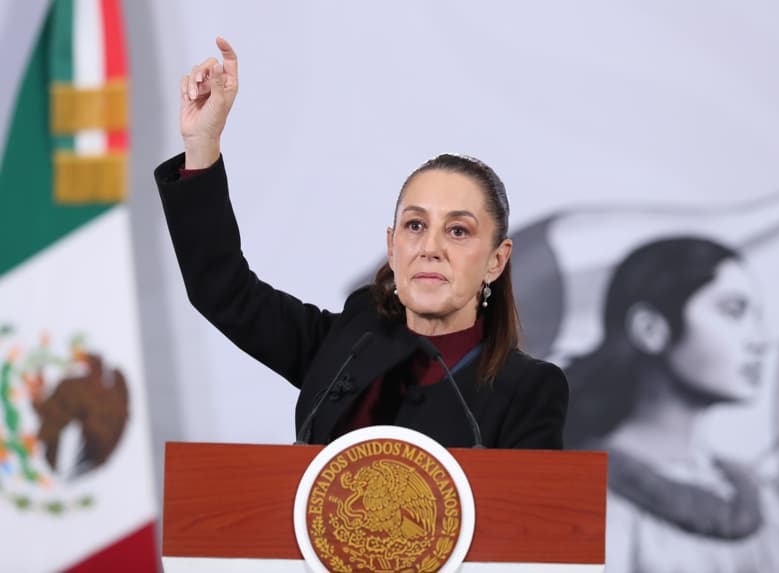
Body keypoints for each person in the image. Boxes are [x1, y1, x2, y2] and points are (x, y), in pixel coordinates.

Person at [152, 38, 568, 449]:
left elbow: (529, 516)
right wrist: (201, 144)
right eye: (415, 226)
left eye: (458, 231)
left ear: (497, 260)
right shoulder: (352, 341)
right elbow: (222, 290)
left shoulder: (529, 390)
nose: (430, 247)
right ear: (392, 246)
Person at [564, 237, 779, 572]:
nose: (759, 339)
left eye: (756, 316)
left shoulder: (757, 498)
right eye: (733, 311)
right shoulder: (573, 495)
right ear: (651, 329)